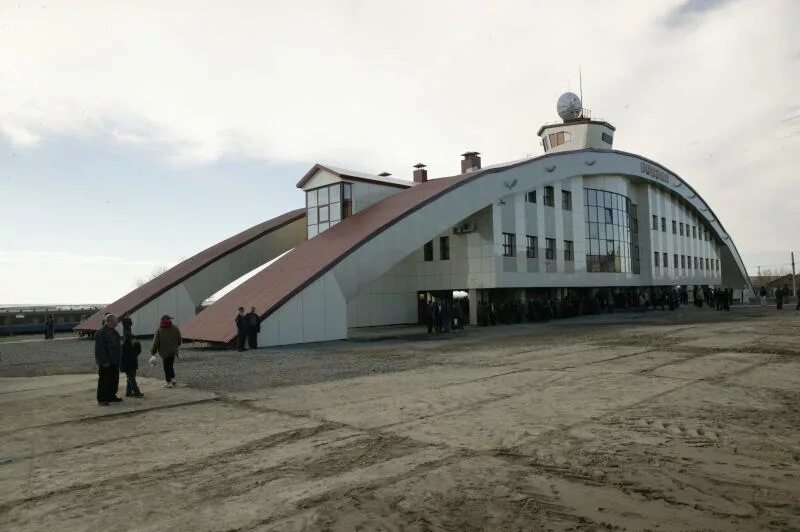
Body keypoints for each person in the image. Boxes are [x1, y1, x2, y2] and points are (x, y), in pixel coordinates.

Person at [94, 313, 122, 406]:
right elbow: (100, 349)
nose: (117, 323)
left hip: (114, 361)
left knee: (114, 379)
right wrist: (103, 361)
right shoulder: (101, 333)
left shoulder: (114, 332)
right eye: (115, 321)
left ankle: (111, 396)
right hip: (106, 362)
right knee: (104, 380)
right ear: (109, 321)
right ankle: (102, 399)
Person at [151, 314, 182, 388]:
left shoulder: (159, 330)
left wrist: (153, 352)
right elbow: (179, 339)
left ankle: (168, 382)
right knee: (170, 365)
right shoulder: (175, 328)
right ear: (168, 320)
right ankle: (173, 379)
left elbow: (156, 342)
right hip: (173, 351)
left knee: (166, 367)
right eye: (169, 319)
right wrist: (176, 346)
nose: (170, 320)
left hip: (164, 352)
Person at [120, 330, 143, 397]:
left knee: (130, 379)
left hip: (129, 365)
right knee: (132, 379)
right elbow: (137, 352)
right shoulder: (128, 346)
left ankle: (128, 392)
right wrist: (137, 344)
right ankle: (136, 392)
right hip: (129, 365)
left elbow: (137, 352)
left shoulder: (125, 346)